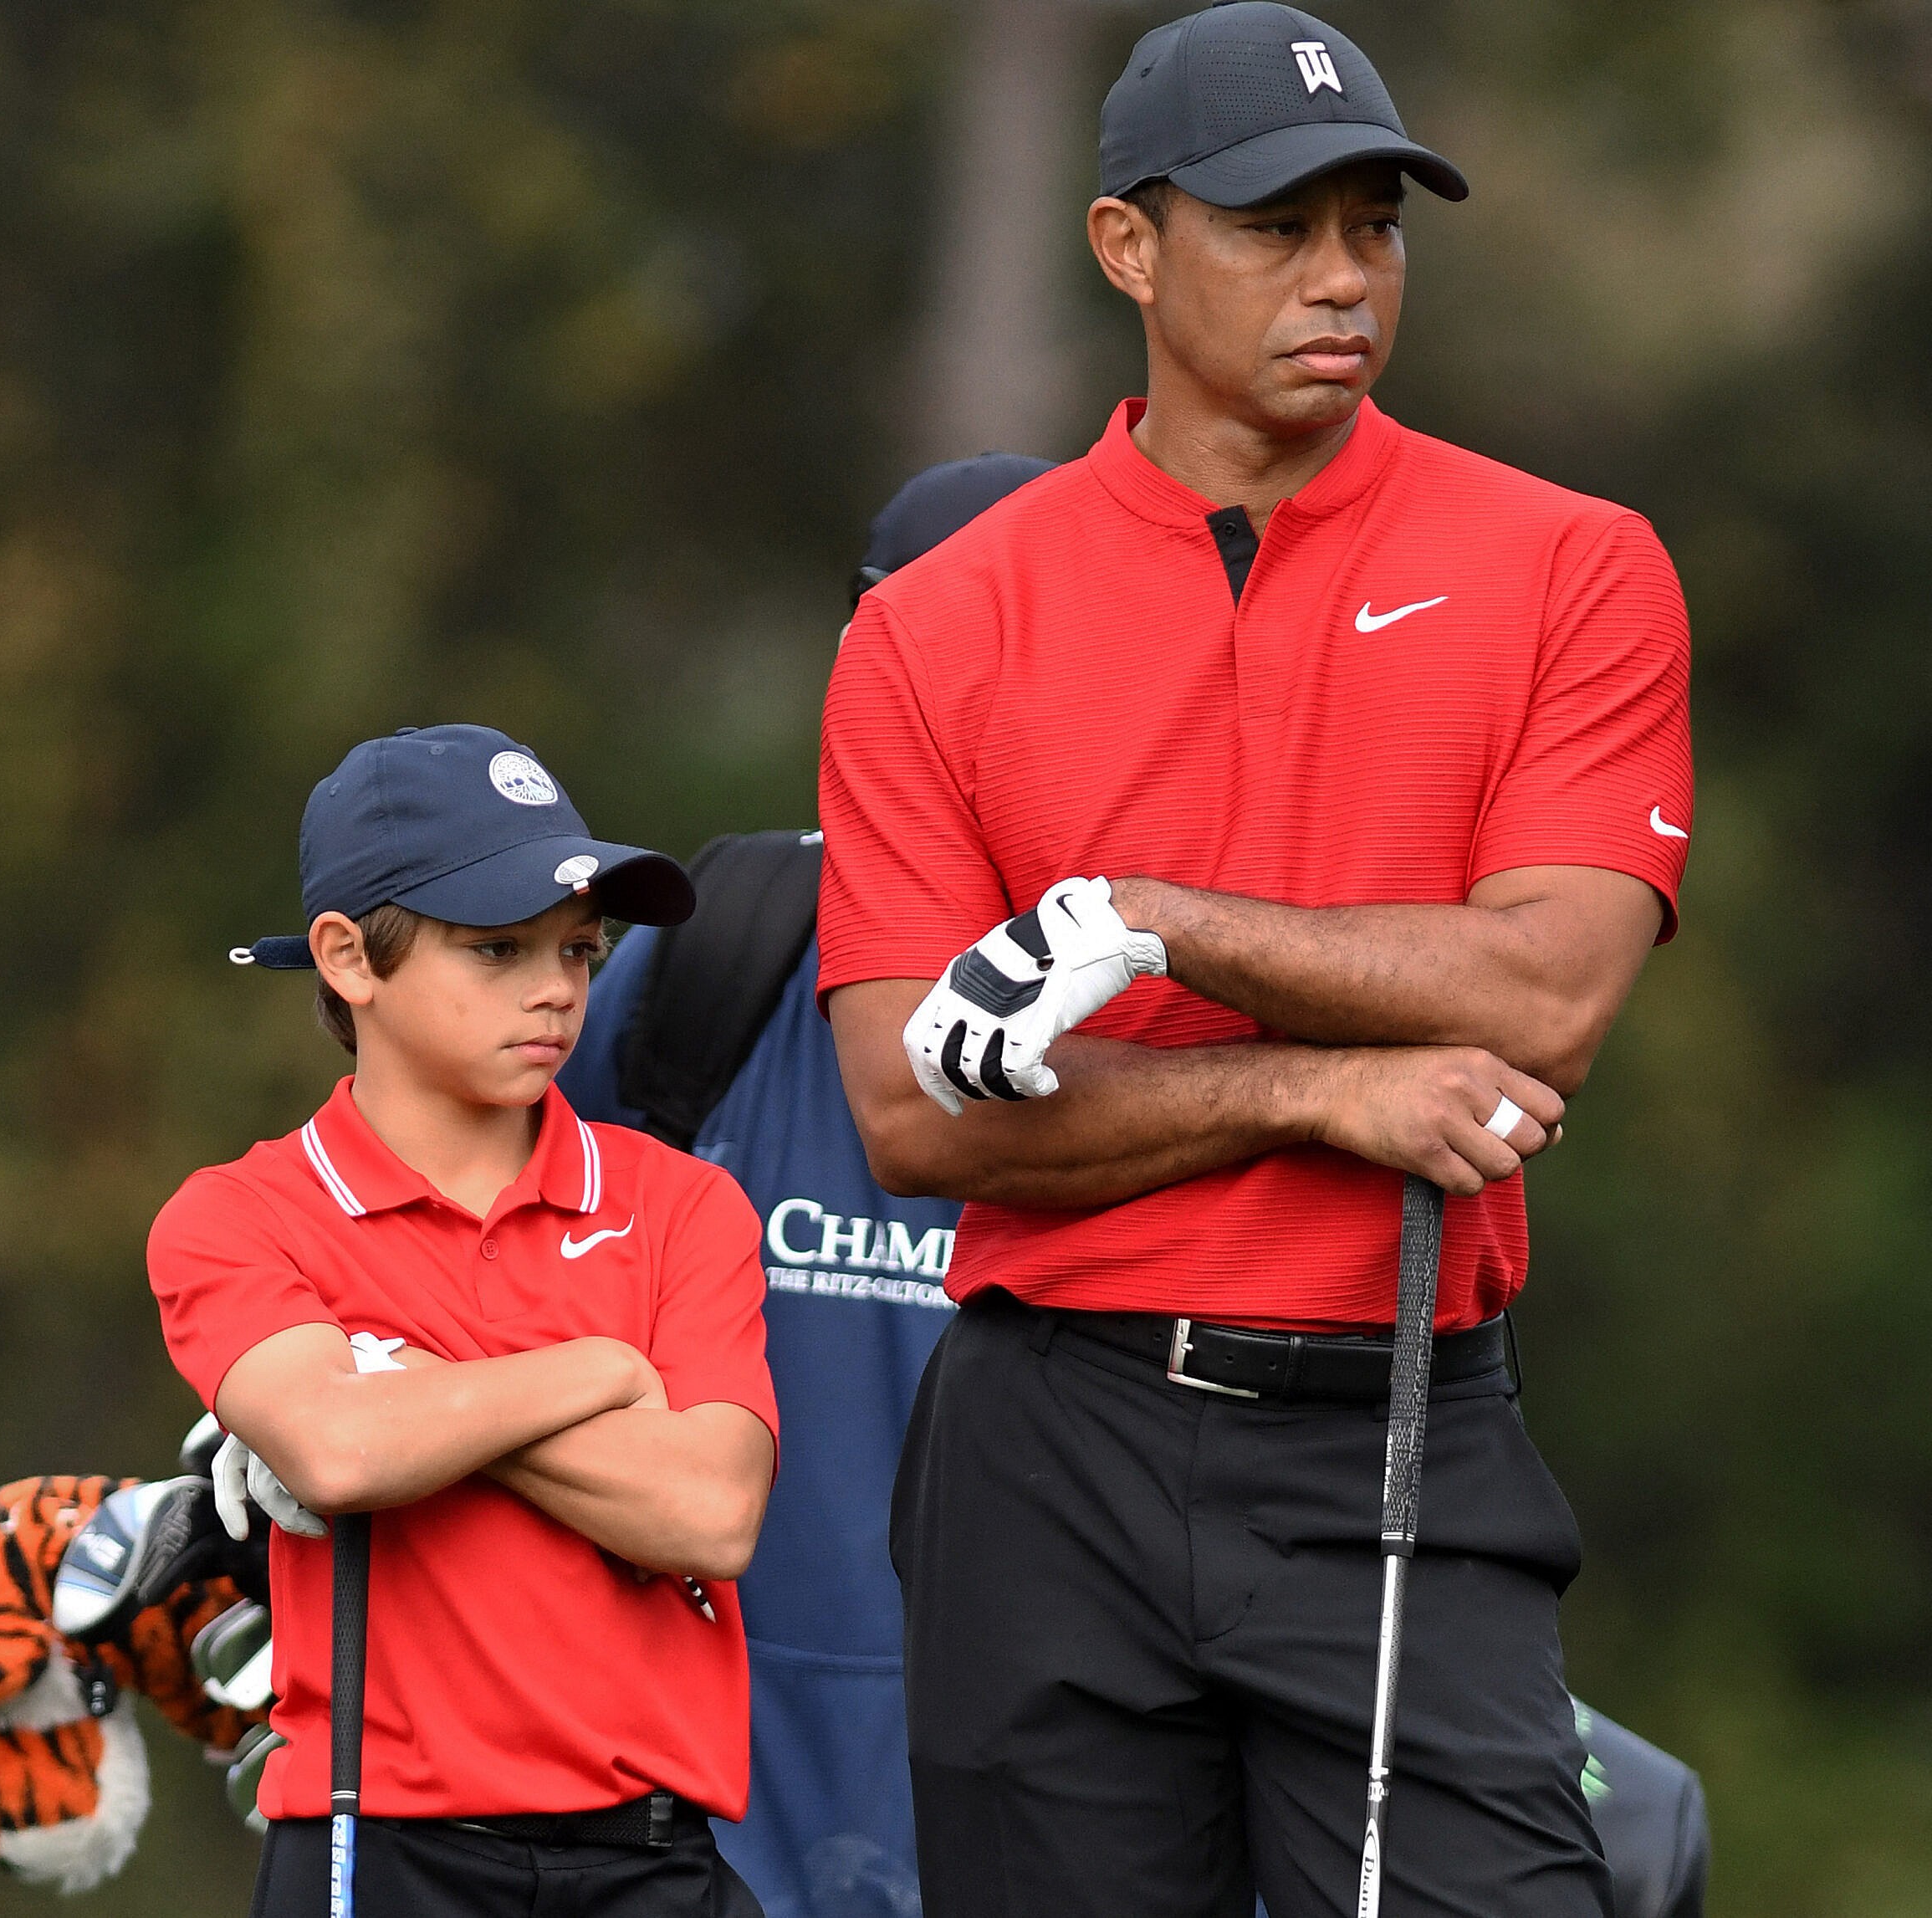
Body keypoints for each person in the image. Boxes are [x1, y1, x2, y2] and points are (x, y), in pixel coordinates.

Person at [816, 8, 1694, 1918]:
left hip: (1393, 1424)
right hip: (1042, 1445)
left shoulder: (1572, 566)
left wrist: (1147, 921)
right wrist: (1317, 1085)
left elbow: (1541, 997)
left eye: (1370, 226)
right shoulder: (936, 629)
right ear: (1124, 248)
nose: (1338, 279)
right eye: (1271, 226)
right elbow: (911, 1114)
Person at [146, 724, 780, 1918]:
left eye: (579, 951)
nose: (555, 988)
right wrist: (602, 1366)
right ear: (347, 957)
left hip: (651, 1860)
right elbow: (341, 1450)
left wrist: (410, 1390)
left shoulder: (685, 1203)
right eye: (497, 949)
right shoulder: (238, 1213)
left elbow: (709, 1511)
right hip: (379, 1852)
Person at [563, 453, 1055, 1918]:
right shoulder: (700, 971)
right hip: (690, 1808)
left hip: (1047, 1802)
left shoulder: (1186, 1007)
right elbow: (441, 1251)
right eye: (928, 646)